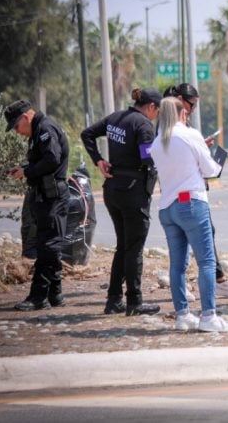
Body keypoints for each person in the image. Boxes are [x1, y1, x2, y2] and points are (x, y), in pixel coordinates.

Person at [150, 97, 228, 332]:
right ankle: (208, 316)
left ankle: (183, 315)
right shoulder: (190, 134)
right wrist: (214, 158)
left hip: (167, 207)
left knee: (177, 265)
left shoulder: (157, 142)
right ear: (183, 114)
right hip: (191, 203)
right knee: (206, 261)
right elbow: (210, 170)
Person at [81, 88, 162, 316]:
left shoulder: (115, 118)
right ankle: (135, 302)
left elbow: (86, 134)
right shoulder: (144, 125)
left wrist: (98, 160)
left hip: (113, 190)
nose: (157, 116)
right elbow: (148, 159)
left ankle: (114, 299)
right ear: (151, 107)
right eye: (158, 111)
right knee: (134, 248)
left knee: (123, 246)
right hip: (133, 193)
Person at [163, 83, 228, 299]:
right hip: (189, 197)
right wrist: (205, 153)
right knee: (204, 257)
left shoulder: (166, 129)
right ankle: (210, 307)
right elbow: (210, 169)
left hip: (169, 201)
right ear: (180, 100)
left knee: (180, 257)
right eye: (191, 104)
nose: (192, 109)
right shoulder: (180, 129)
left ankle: (183, 306)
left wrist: (199, 148)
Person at [4, 100, 69, 311]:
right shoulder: (38, 130)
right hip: (46, 196)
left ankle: (38, 296)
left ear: (26, 117)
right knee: (50, 245)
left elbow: (52, 159)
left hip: (54, 197)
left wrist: (28, 172)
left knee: (47, 246)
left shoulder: (45, 128)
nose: (17, 132)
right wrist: (24, 168)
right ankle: (55, 293)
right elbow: (42, 160)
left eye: (16, 126)